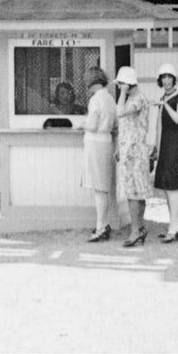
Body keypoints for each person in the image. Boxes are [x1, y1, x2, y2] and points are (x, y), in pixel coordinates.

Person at [114, 65, 154, 247]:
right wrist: (119, 147)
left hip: (135, 152)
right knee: (136, 193)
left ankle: (135, 230)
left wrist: (122, 93)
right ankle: (139, 227)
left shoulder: (137, 99)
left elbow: (120, 113)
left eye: (121, 84)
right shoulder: (135, 98)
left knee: (134, 193)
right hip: (129, 150)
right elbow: (125, 126)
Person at [152, 64, 178, 243]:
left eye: (169, 77)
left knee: (173, 187)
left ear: (174, 79)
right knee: (167, 188)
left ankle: (174, 227)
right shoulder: (164, 98)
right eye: (163, 77)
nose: (166, 80)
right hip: (165, 146)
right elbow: (159, 126)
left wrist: (165, 105)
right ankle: (173, 225)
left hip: (175, 145)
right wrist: (156, 146)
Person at [80, 66, 117, 242]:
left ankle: (101, 226)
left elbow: (93, 125)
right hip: (107, 142)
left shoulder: (95, 99)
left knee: (99, 189)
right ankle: (102, 224)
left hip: (95, 143)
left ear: (91, 82)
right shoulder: (109, 98)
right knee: (104, 188)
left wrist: (82, 124)